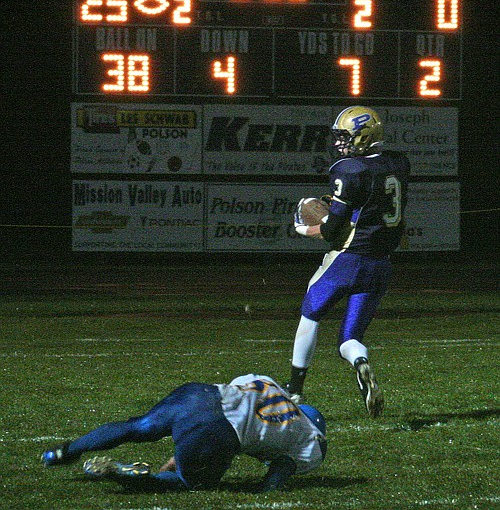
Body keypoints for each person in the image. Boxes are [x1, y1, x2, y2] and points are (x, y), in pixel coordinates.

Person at [286, 106, 410, 418]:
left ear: (362, 136)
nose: (339, 143)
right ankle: (360, 362)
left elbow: (330, 231)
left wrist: (305, 229)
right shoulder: (398, 163)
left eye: (345, 137)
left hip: (349, 259)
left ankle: (295, 390)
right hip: (380, 265)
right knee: (350, 337)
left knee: (309, 315)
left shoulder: (349, 171)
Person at [42, 374, 327, 492]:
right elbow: (272, 481)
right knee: (190, 482)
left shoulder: (270, 383)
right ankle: (120, 473)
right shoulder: (311, 441)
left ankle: (65, 451)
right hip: (219, 428)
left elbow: (229, 397)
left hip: (200, 394)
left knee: (137, 426)